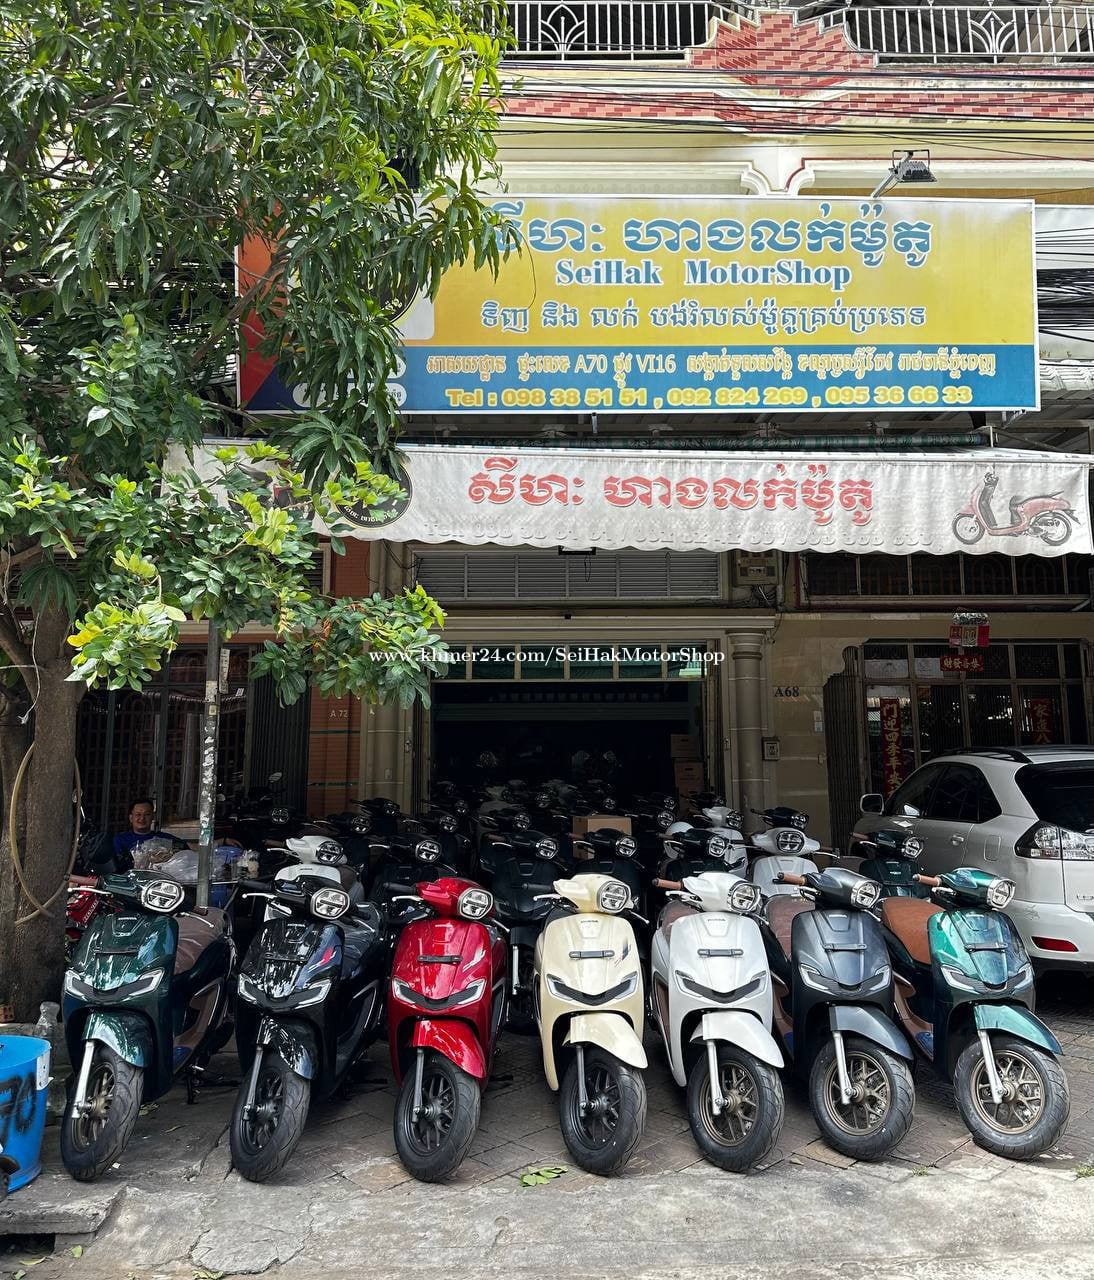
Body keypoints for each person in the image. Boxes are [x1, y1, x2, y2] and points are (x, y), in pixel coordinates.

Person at [112, 798, 183, 869]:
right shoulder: (120, 839)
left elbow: (183, 848)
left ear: (152, 817)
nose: (142, 818)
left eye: (147, 814)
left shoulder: (163, 838)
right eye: (138, 814)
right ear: (131, 818)